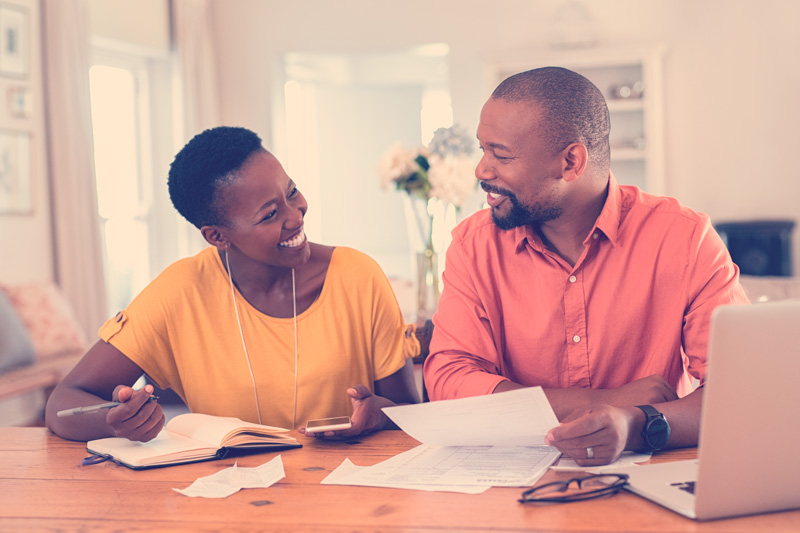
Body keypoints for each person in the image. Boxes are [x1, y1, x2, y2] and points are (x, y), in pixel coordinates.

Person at [423, 67, 749, 466]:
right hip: (511, 486)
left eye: (501, 155)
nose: (481, 170)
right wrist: (601, 402)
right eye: (483, 150)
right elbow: (449, 379)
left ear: (571, 161)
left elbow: (740, 389)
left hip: (651, 478)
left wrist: (634, 424)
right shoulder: (473, 246)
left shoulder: (684, 238)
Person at [46, 126, 420, 442]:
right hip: (228, 500)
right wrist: (117, 422)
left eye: (291, 192)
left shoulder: (358, 276)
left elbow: (408, 412)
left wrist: (376, 415)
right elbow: (62, 403)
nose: (296, 215)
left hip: (349, 500)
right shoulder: (179, 292)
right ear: (217, 237)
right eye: (270, 214)